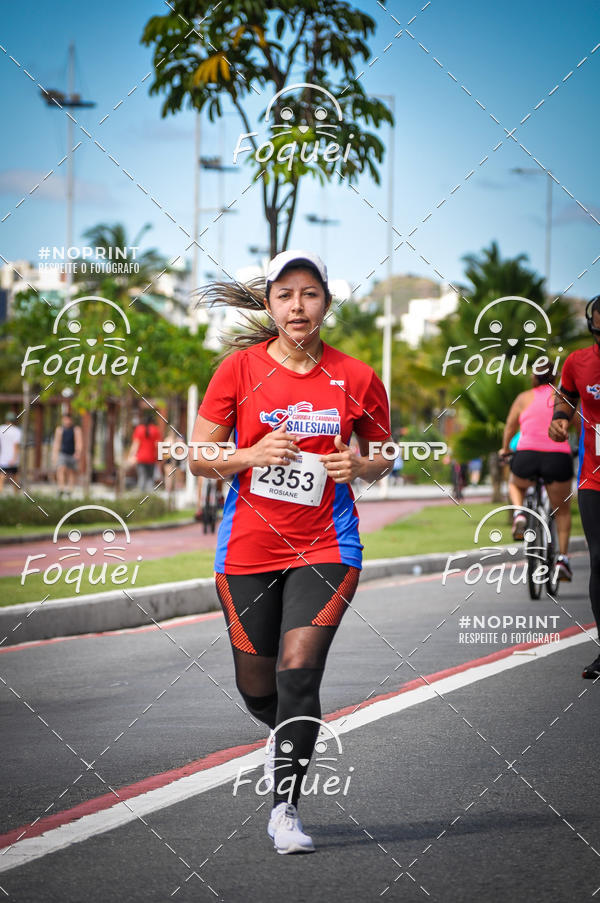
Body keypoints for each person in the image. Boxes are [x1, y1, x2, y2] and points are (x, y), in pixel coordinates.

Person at [189, 250, 392, 853]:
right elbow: (197, 457)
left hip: (327, 545)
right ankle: (286, 735)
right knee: (258, 688)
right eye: (285, 294)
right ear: (270, 304)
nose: (297, 306)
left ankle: (285, 811)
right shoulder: (238, 370)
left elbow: (385, 453)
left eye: (309, 293)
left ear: (326, 301)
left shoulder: (357, 376)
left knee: (298, 673)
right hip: (247, 550)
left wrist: (361, 465)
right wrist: (249, 455)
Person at [549, 295, 600, 679]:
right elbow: (566, 395)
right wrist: (560, 418)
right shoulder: (578, 362)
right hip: (593, 477)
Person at [500, 361, 573, 580]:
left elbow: (510, 426)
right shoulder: (564, 398)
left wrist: (505, 449)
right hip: (558, 457)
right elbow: (579, 425)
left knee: (515, 484)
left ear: (534, 377)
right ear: (555, 377)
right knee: (562, 511)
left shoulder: (523, 398)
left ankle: (519, 513)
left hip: (527, 456)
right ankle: (562, 560)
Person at [128, 413, 161, 492]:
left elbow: (136, 444)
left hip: (141, 458)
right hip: (152, 458)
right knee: (150, 478)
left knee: (142, 477)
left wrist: (131, 456)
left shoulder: (139, 429)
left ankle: (140, 495)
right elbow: (157, 445)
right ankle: (149, 496)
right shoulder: (155, 430)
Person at [52, 413, 82, 496]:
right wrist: (54, 455)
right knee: (60, 469)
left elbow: (79, 441)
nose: (67, 421)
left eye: (68, 419)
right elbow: (57, 443)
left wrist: (78, 452)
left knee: (71, 472)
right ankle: (61, 488)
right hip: (63, 453)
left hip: (73, 454)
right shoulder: (60, 430)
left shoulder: (76, 429)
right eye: (65, 419)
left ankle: (70, 490)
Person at [0, 412, 22, 493]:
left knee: (2, 476)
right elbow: (16, 446)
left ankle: (1, 493)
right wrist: (14, 458)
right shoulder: (17, 431)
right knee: (15, 477)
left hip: (3, 458)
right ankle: (16, 495)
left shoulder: (1, 428)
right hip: (13, 458)